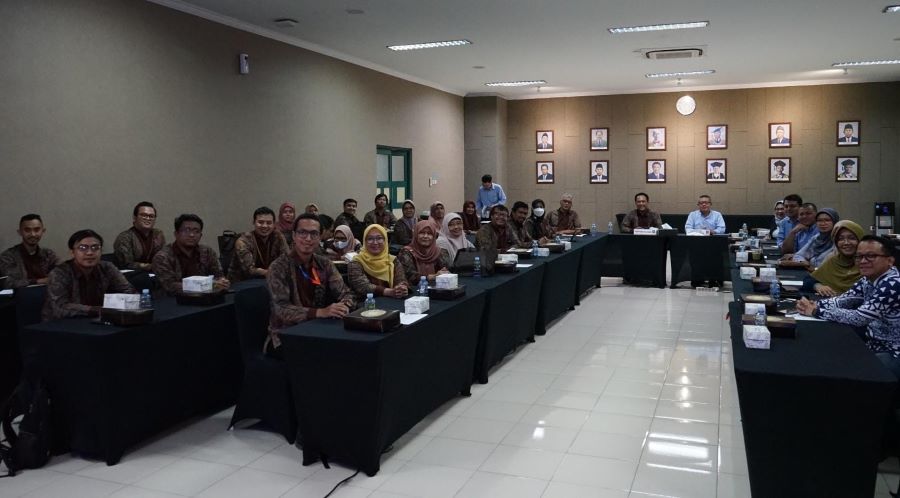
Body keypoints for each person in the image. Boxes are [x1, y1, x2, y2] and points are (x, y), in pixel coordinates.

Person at [796, 236, 900, 377]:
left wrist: (816, 311)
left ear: (890, 260)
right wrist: (814, 304)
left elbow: (859, 318)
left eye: (871, 256)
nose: (863, 261)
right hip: (873, 343)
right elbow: (843, 300)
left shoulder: (893, 283)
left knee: (844, 371)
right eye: (859, 256)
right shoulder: (868, 279)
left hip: (892, 351)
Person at [265, 213, 355, 356]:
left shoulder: (324, 263)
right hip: (285, 335)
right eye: (302, 233)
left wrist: (343, 306)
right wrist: (320, 312)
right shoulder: (278, 267)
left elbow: (346, 293)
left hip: (319, 328)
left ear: (320, 237)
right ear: (294, 236)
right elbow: (281, 310)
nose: (308, 239)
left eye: (313, 234)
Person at [41, 229, 134, 321]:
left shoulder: (107, 268)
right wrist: (96, 310)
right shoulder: (59, 273)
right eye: (82, 248)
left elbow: (129, 292)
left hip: (96, 320)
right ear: (72, 252)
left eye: (95, 248)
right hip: (60, 325)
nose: (89, 253)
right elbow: (59, 307)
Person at [152, 214, 229, 294]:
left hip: (207, 299)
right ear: (176, 234)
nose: (192, 235)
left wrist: (222, 282)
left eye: (196, 231)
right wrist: (207, 285)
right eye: (186, 230)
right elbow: (170, 286)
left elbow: (219, 276)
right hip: (174, 301)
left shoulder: (207, 251)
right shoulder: (162, 257)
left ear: (201, 235)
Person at [802, 220, 864, 296]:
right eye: (841, 239)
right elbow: (809, 281)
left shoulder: (868, 263)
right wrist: (818, 286)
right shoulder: (833, 261)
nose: (846, 243)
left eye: (852, 238)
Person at [228, 206, 290, 282]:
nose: (264, 226)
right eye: (260, 222)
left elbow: (288, 259)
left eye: (269, 223)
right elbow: (249, 270)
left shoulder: (278, 236)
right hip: (242, 282)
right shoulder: (243, 241)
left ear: (274, 224)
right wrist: (271, 272)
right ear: (254, 222)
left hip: (270, 280)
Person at [348, 224, 408, 299]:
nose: (375, 242)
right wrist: (388, 291)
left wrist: (402, 288)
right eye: (370, 239)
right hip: (366, 304)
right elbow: (362, 286)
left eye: (379, 238)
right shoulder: (356, 262)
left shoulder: (392, 260)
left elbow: (401, 279)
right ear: (364, 241)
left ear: (385, 240)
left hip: (392, 303)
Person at [0, 214, 60, 289]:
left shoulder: (49, 255)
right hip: (19, 298)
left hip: (47, 297)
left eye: (37, 230)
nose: (33, 234)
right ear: (20, 232)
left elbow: (60, 277)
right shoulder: (8, 256)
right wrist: (38, 281)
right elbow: (8, 283)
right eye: (27, 230)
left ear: (43, 231)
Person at [113, 201, 165, 271]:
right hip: (132, 276)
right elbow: (126, 264)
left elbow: (163, 258)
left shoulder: (158, 234)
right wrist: (150, 266)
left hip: (155, 274)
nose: (148, 218)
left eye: (151, 216)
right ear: (135, 218)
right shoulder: (124, 237)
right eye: (144, 215)